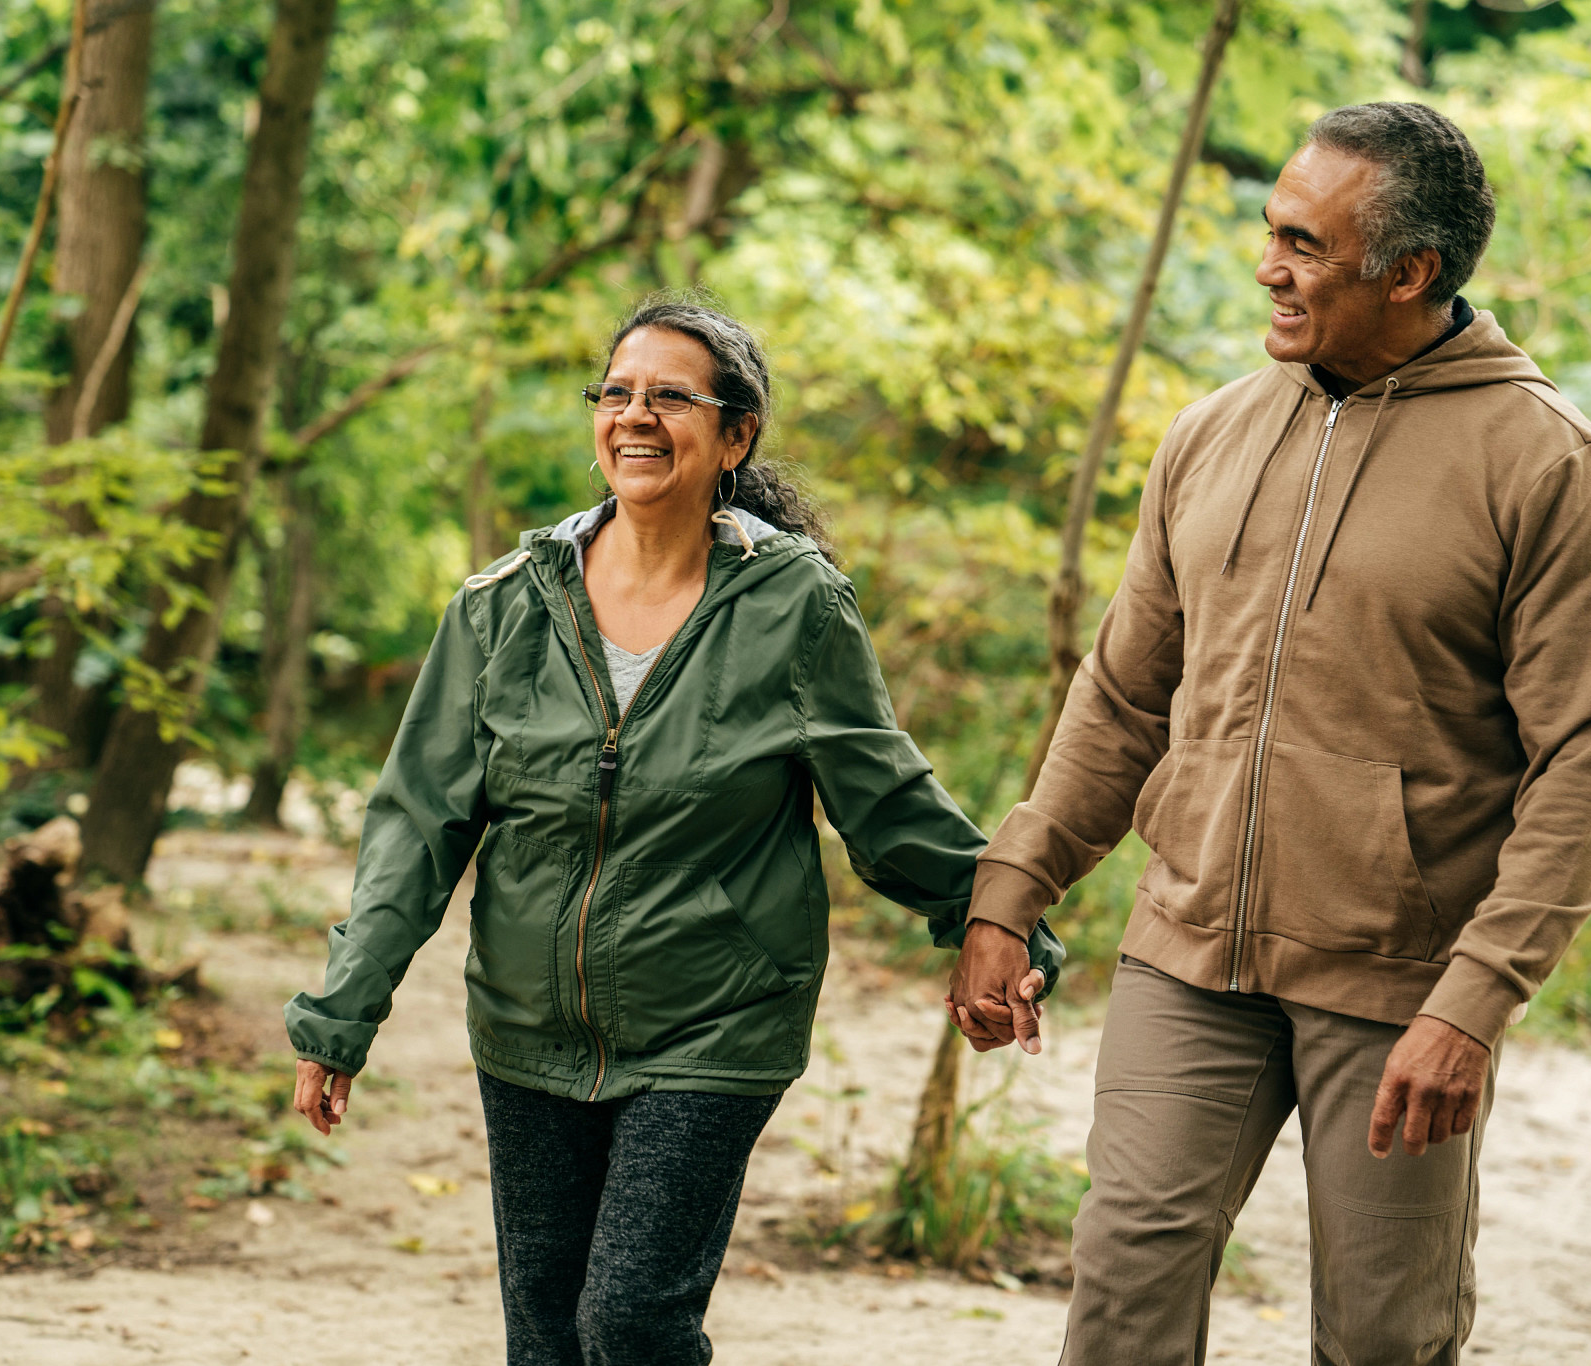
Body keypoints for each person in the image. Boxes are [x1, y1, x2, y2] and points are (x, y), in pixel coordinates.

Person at [947, 102, 1591, 1364]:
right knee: (1118, 1299)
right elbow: (1120, 697)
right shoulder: (1210, 433)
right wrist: (1011, 888)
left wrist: (1472, 1001)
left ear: (1409, 271)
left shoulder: (1543, 465)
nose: (1266, 265)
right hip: (1186, 951)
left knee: (1383, 1334)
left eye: (1303, 245)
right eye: (1270, 231)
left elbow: (1583, 768)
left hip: (1399, 984)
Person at [283, 295, 1063, 1366]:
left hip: (714, 1020)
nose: (634, 415)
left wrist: (1002, 921)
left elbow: (881, 801)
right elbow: (417, 824)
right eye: (616, 393)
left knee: (632, 1321)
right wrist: (341, 1010)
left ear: (733, 435)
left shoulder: (791, 605)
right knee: (547, 1339)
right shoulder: (502, 607)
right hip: (526, 1024)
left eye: (670, 397)